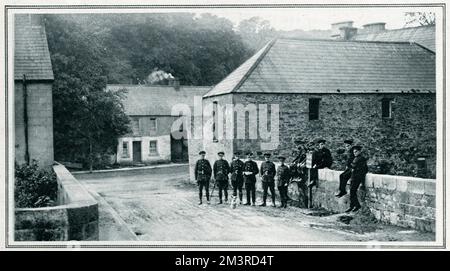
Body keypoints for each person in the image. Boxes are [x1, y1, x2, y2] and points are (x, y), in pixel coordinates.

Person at [345, 145, 369, 213]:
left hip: (358, 177)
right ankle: (352, 206)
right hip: (354, 177)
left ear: (359, 151)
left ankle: (357, 205)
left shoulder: (361, 158)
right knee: (351, 191)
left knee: (352, 191)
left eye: (356, 152)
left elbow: (363, 169)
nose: (354, 153)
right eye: (354, 152)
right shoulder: (356, 158)